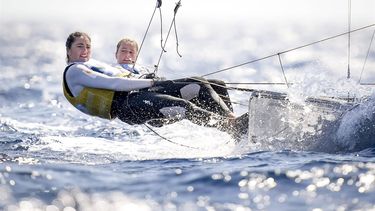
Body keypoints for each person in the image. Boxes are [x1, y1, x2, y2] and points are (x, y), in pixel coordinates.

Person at [63, 31, 247, 136]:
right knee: (183, 106)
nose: (85, 50)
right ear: (69, 50)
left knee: (201, 84)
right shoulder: (74, 71)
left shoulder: (93, 64)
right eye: (80, 46)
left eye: (88, 46)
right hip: (127, 106)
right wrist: (151, 82)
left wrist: (148, 78)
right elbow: (114, 84)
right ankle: (233, 127)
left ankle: (232, 123)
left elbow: (125, 74)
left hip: (141, 93)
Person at [114, 37, 234, 111]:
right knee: (197, 82)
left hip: (161, 91)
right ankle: (231, 122)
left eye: (131, 52)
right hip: (148, 101)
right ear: (116, 54)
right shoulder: (115, 70)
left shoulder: (142, 69)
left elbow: (162, 82)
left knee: (218, 85)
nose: (127, 55)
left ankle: (233, 128)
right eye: (123, 51)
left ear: (136, 56)